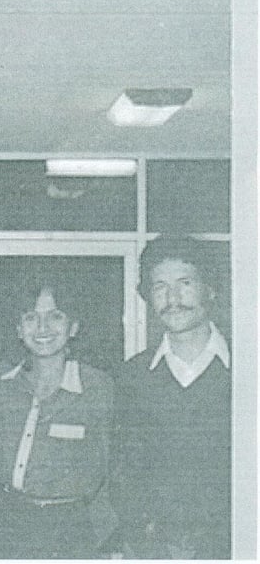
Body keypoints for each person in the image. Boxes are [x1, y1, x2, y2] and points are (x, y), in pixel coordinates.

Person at [0, 277, 116, 559]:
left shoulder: (99, 387)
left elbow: (113, 469)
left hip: (73, 530)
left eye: (55, 316)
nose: (42, 328)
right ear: (18, 328)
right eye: (31, 318)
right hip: (9, 525)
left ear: (73, 326)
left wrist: (105, 537)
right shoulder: (2, 382)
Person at [111, 235, 230, 559]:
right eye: (160, 286)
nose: (172, 298)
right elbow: (123, 473)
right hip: (154, 550)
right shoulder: (131, 377)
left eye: (185, 283)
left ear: (211, 288)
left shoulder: (247, 372)